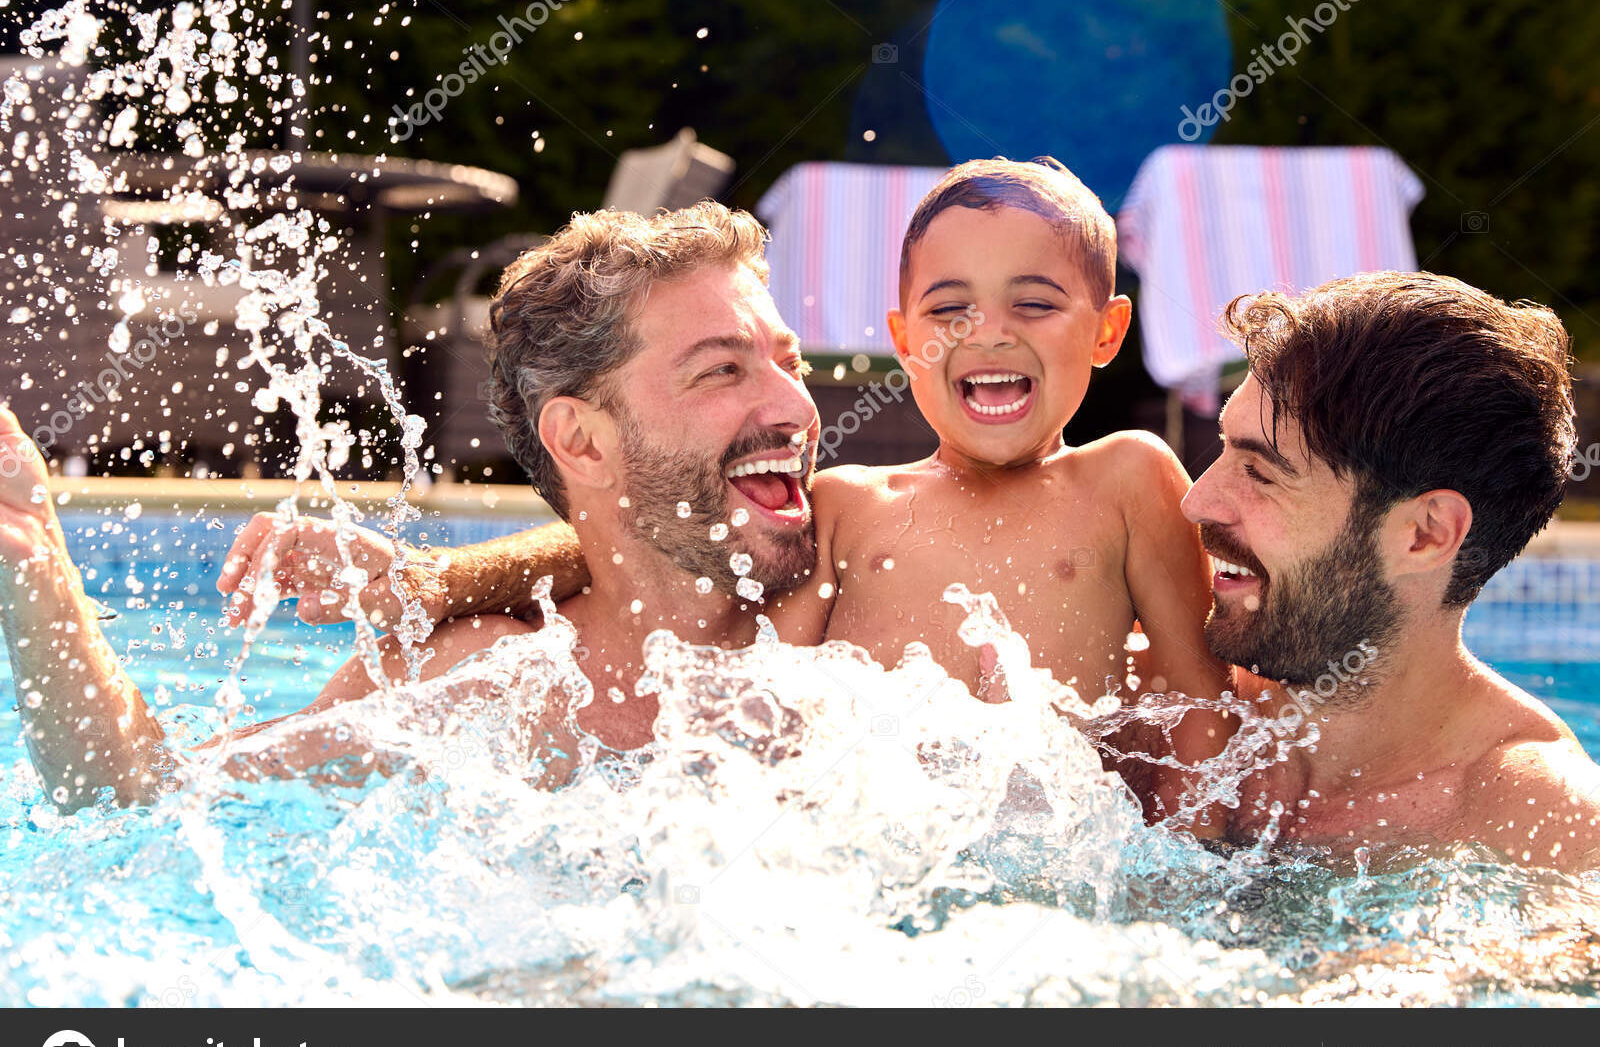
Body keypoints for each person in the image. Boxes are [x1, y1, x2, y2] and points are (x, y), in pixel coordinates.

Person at [225, 161, 1236, 830]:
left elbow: (1204, 693)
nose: (991, 333)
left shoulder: (1130, 476)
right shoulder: (846, 504)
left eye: (1035, 303)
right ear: (902, 335)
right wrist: (430, 579)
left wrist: (1195, 859)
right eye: (951, 309)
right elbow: (657, 577)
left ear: (1105, 333)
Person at [0, 202, 821, 808]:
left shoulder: (873, 570)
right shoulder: (488, 682)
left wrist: (434, 577)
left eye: (791, 363)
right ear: (581, 442)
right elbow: (139, 794)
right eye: (722, 370)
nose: (794, 407)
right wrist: (36, 560)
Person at [1183, 272, 1600, 867]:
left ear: (1426, 534)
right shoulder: (1173, 710)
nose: (1197, 501)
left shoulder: (1544, 832)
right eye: (1224, 449)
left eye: (1261, 473)